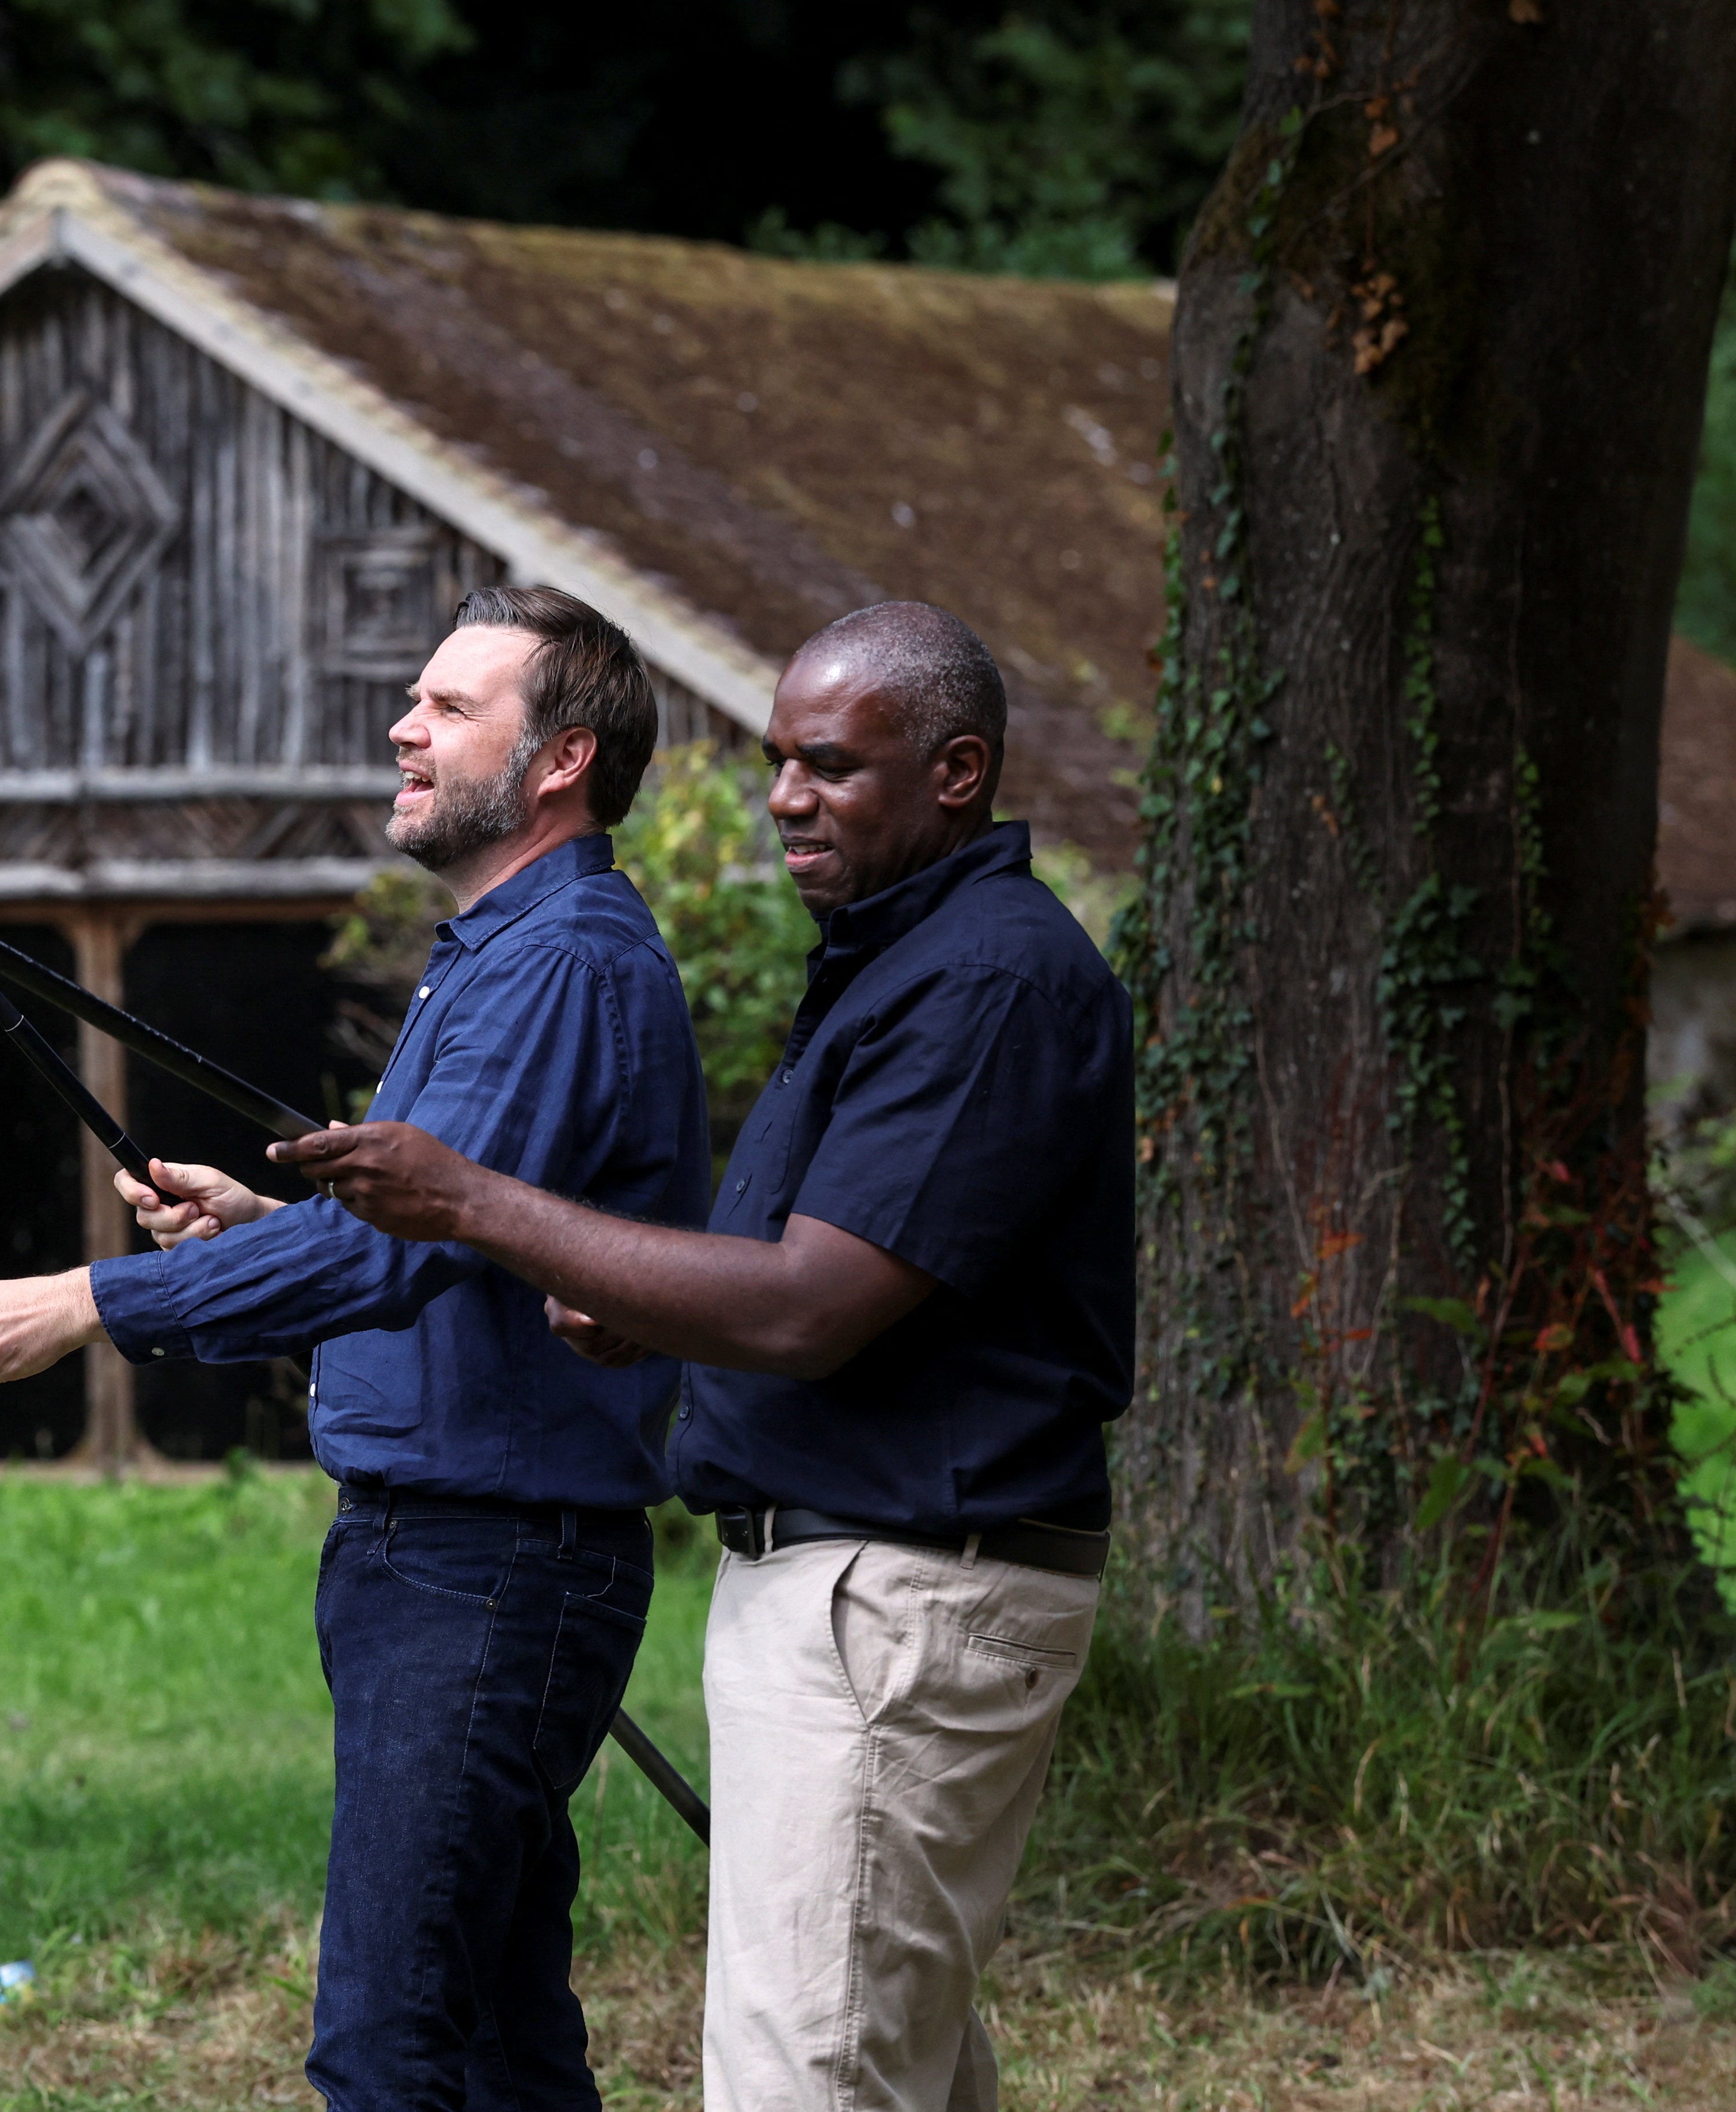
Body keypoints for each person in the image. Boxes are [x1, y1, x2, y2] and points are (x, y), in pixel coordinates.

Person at [271, 602, 1133, 2112]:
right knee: (885, 2063)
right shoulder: (898, 960)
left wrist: (467, 1198)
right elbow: (824, 1282)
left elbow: (808, 1305)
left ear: (956, 772)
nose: (785, 798)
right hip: (842, 1588)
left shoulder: (985, 978)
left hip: (896, 1597)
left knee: (808, 2077)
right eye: (775, 765)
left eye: (831, 766)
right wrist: (640, 1300)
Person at [0, 584, 712, 2111]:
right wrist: (261, 1217)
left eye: (451, 708)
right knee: (499, 2036)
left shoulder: (565, 963)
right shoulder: (497, 954)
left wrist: (86, 1302)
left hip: (490, 1564)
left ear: (560, 761)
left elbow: (397, 1246)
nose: (403, 723)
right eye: (415, 697)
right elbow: (462, 1237)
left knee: (388, 2046)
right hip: (441, 1556)